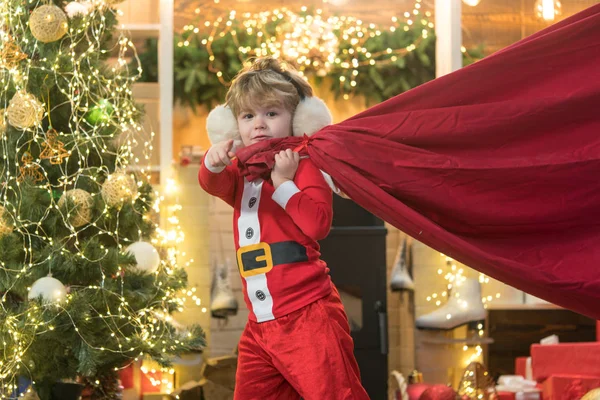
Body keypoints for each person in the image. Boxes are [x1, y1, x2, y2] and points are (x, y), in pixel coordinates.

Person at [198, 57, 370, 400]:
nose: (258, 124)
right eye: (248, 116)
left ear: (297, 119)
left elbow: (318, 224)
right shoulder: (242, 173)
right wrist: (212, 162)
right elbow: (211, 183)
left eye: (271, 113)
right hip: (260, 324)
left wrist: (284, 184)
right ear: (234, 126)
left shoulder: (303, 164)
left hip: (308, 315)